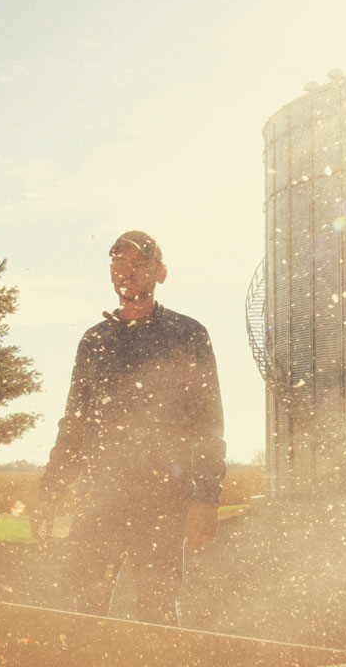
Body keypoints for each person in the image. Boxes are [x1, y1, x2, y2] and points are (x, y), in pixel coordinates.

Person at [31, 230, 225, 624]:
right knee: (83, 610)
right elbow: (74, 426)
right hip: (98, 500)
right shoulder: (94, 342)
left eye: (140, 262)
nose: (128, 270)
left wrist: (206, 498)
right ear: (111, 272)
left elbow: (208, 422)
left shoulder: (187, 335)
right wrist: (50, 493)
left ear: (161, 273)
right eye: (120, 261)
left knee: (155, 612)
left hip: (162, 502)